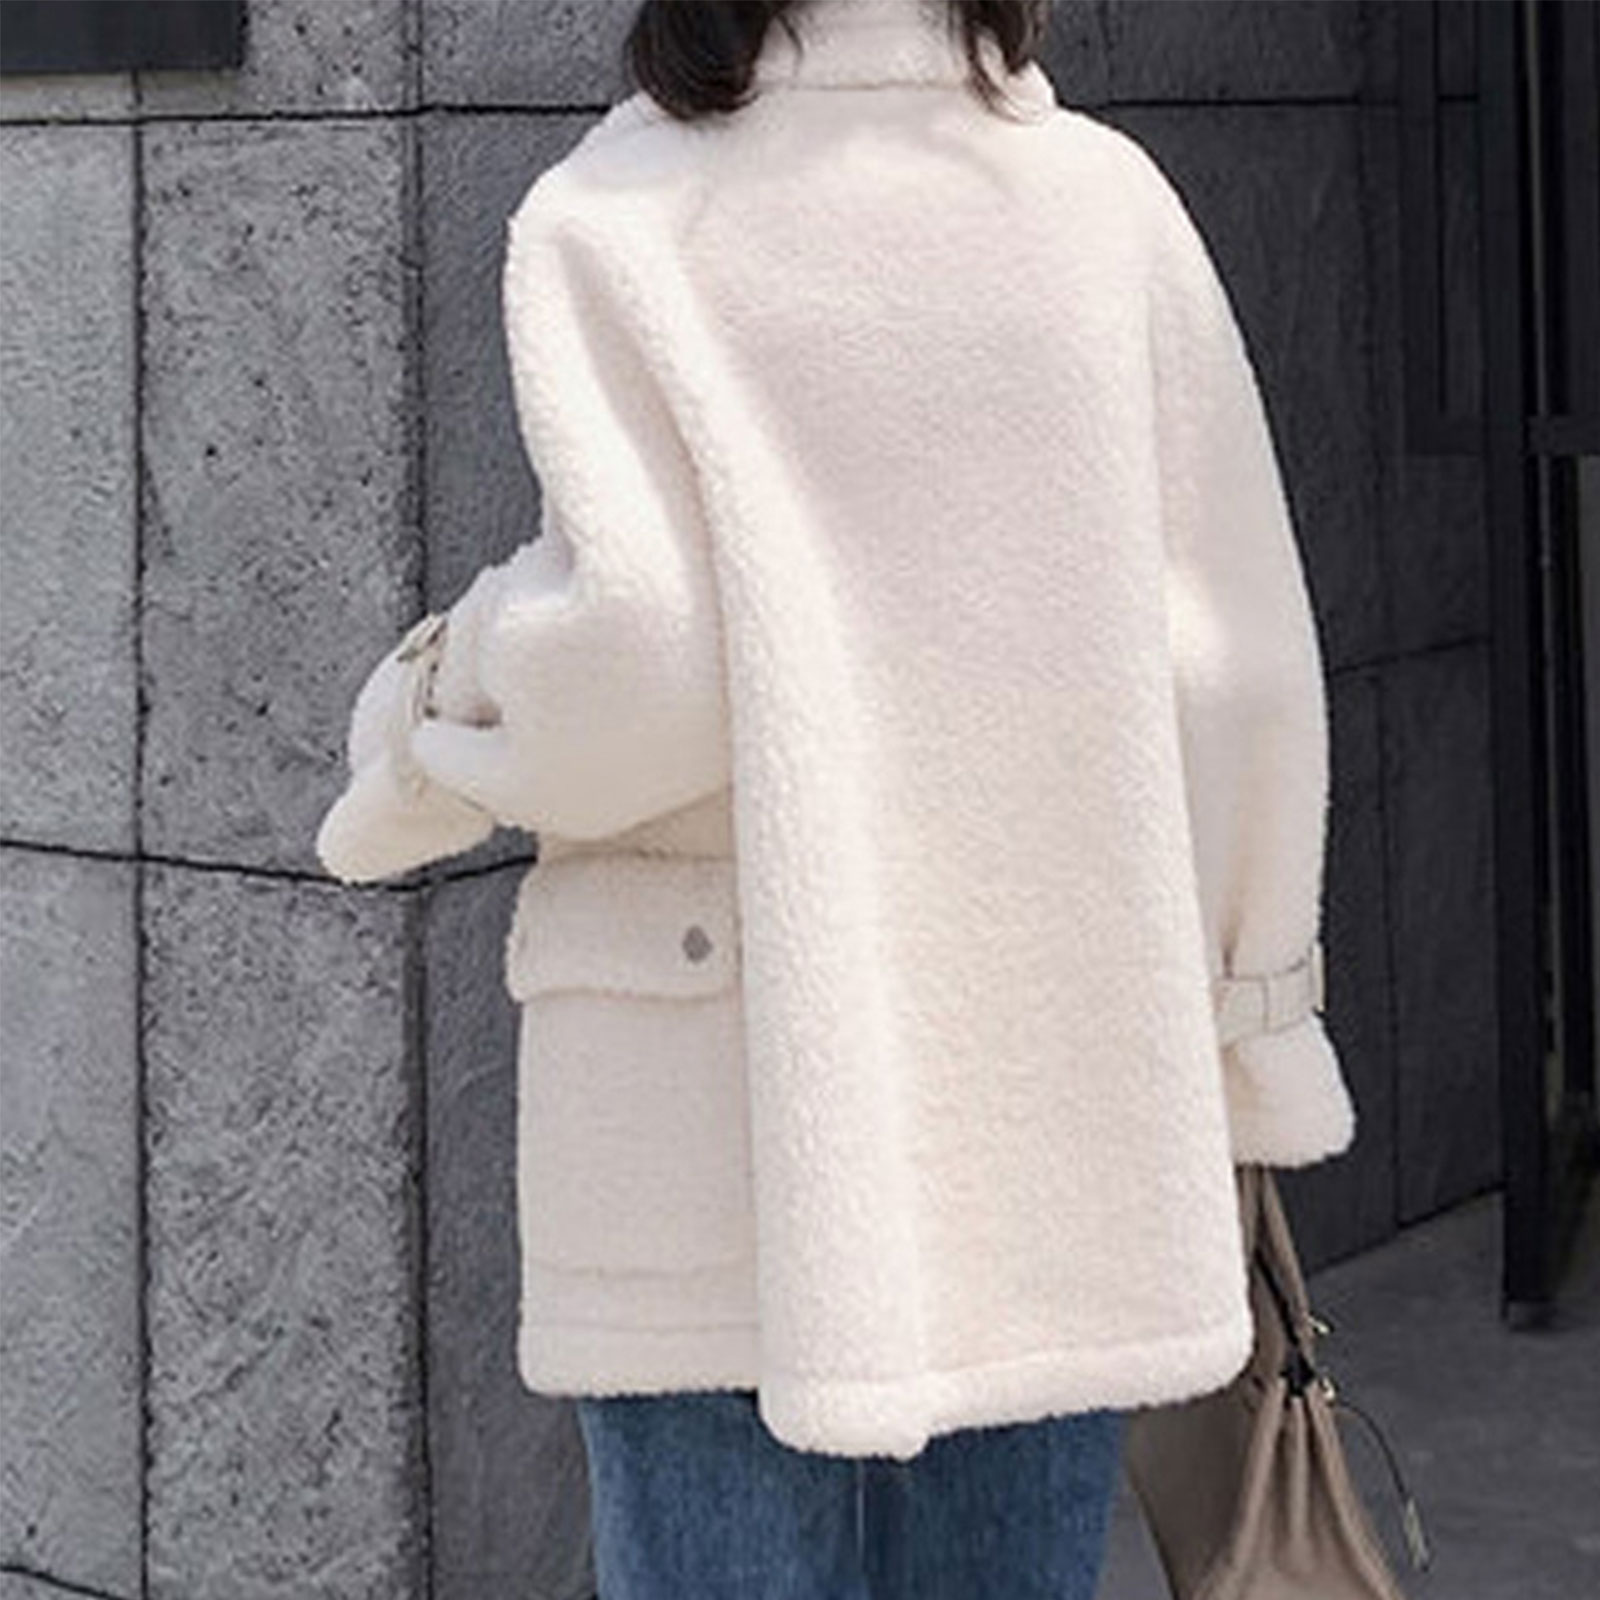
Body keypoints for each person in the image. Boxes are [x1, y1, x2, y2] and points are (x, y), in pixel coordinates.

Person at [316, 0, 1359, 1593]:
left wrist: (429, 704)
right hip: (1046, 1100)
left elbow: (635, 665)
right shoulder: (1103, 208)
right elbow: (1233, 674)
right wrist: (1248, 1032)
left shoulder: (620, 212)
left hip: (709, 1104)